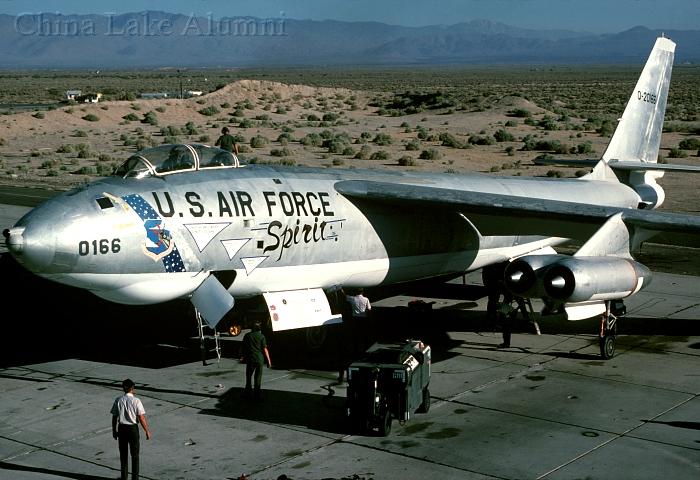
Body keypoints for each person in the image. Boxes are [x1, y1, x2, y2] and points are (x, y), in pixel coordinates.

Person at [111, 379, 152, 480]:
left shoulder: (118, 400)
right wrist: (147, 431)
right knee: (135, 456)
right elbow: (141, 418)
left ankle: (124, 477)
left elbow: (114, 417)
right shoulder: (136, 401)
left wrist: (114, 431)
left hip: (122, 429)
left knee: (123, 456)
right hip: (133, 429)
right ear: (132, 388)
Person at [241, 321, 272, 401]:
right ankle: (257, 395)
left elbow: (243, 348)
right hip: (259, 359)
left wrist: (242, 357)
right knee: (257, 378)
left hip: (250, 359)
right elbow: (265, 349)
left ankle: (247, 393)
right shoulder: (261, 336)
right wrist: (269, 361)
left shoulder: (247, 336)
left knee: (248, 377)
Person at [346, 287, 372, 355]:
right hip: (363, 318)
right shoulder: (366, 299)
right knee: (364, 334)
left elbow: (345, 296)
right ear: (362, 292)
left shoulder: (353, 298)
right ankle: (365, 349)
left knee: (355, 334)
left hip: (355, 319)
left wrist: (341, 290)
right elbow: (369, 309)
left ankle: (355, 350)